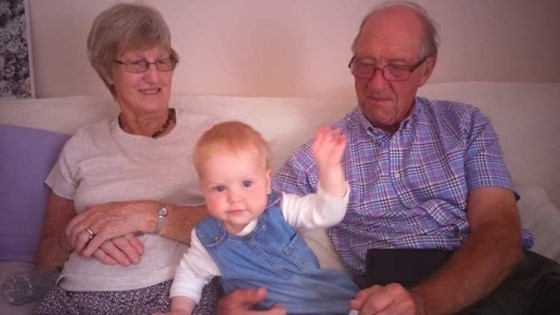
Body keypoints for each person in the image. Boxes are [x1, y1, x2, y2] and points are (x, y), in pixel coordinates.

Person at [222, 1, 560, 314]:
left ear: (426, 71)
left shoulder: (467, 124)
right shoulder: (320, 155)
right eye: (365, 65)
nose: (377, 84)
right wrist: (167, 213)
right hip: (394, 289)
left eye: (396, 67)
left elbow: (499, 229)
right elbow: (243, 211)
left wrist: (425, 301)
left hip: (501, 275)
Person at [33, 3, 221, 314]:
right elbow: (44, 256)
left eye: (162, 61)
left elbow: (243, 223)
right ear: (107, 71)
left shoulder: (211, 135)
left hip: (171, 296)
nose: (153, 75)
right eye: (137, 63)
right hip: (72, 298)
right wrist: (74, 238)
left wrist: (149, 215)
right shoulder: (82, 143)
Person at [160, 121, 358, 314]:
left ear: (266, 182)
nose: (234, 198)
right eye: (220, 188)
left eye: (246, 184)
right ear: (204, 190)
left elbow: (327, 213)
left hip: (328, 302)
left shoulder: (282, 208)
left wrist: (330, 169)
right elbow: (190, 274)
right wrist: (179, 310)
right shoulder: (207, 238)